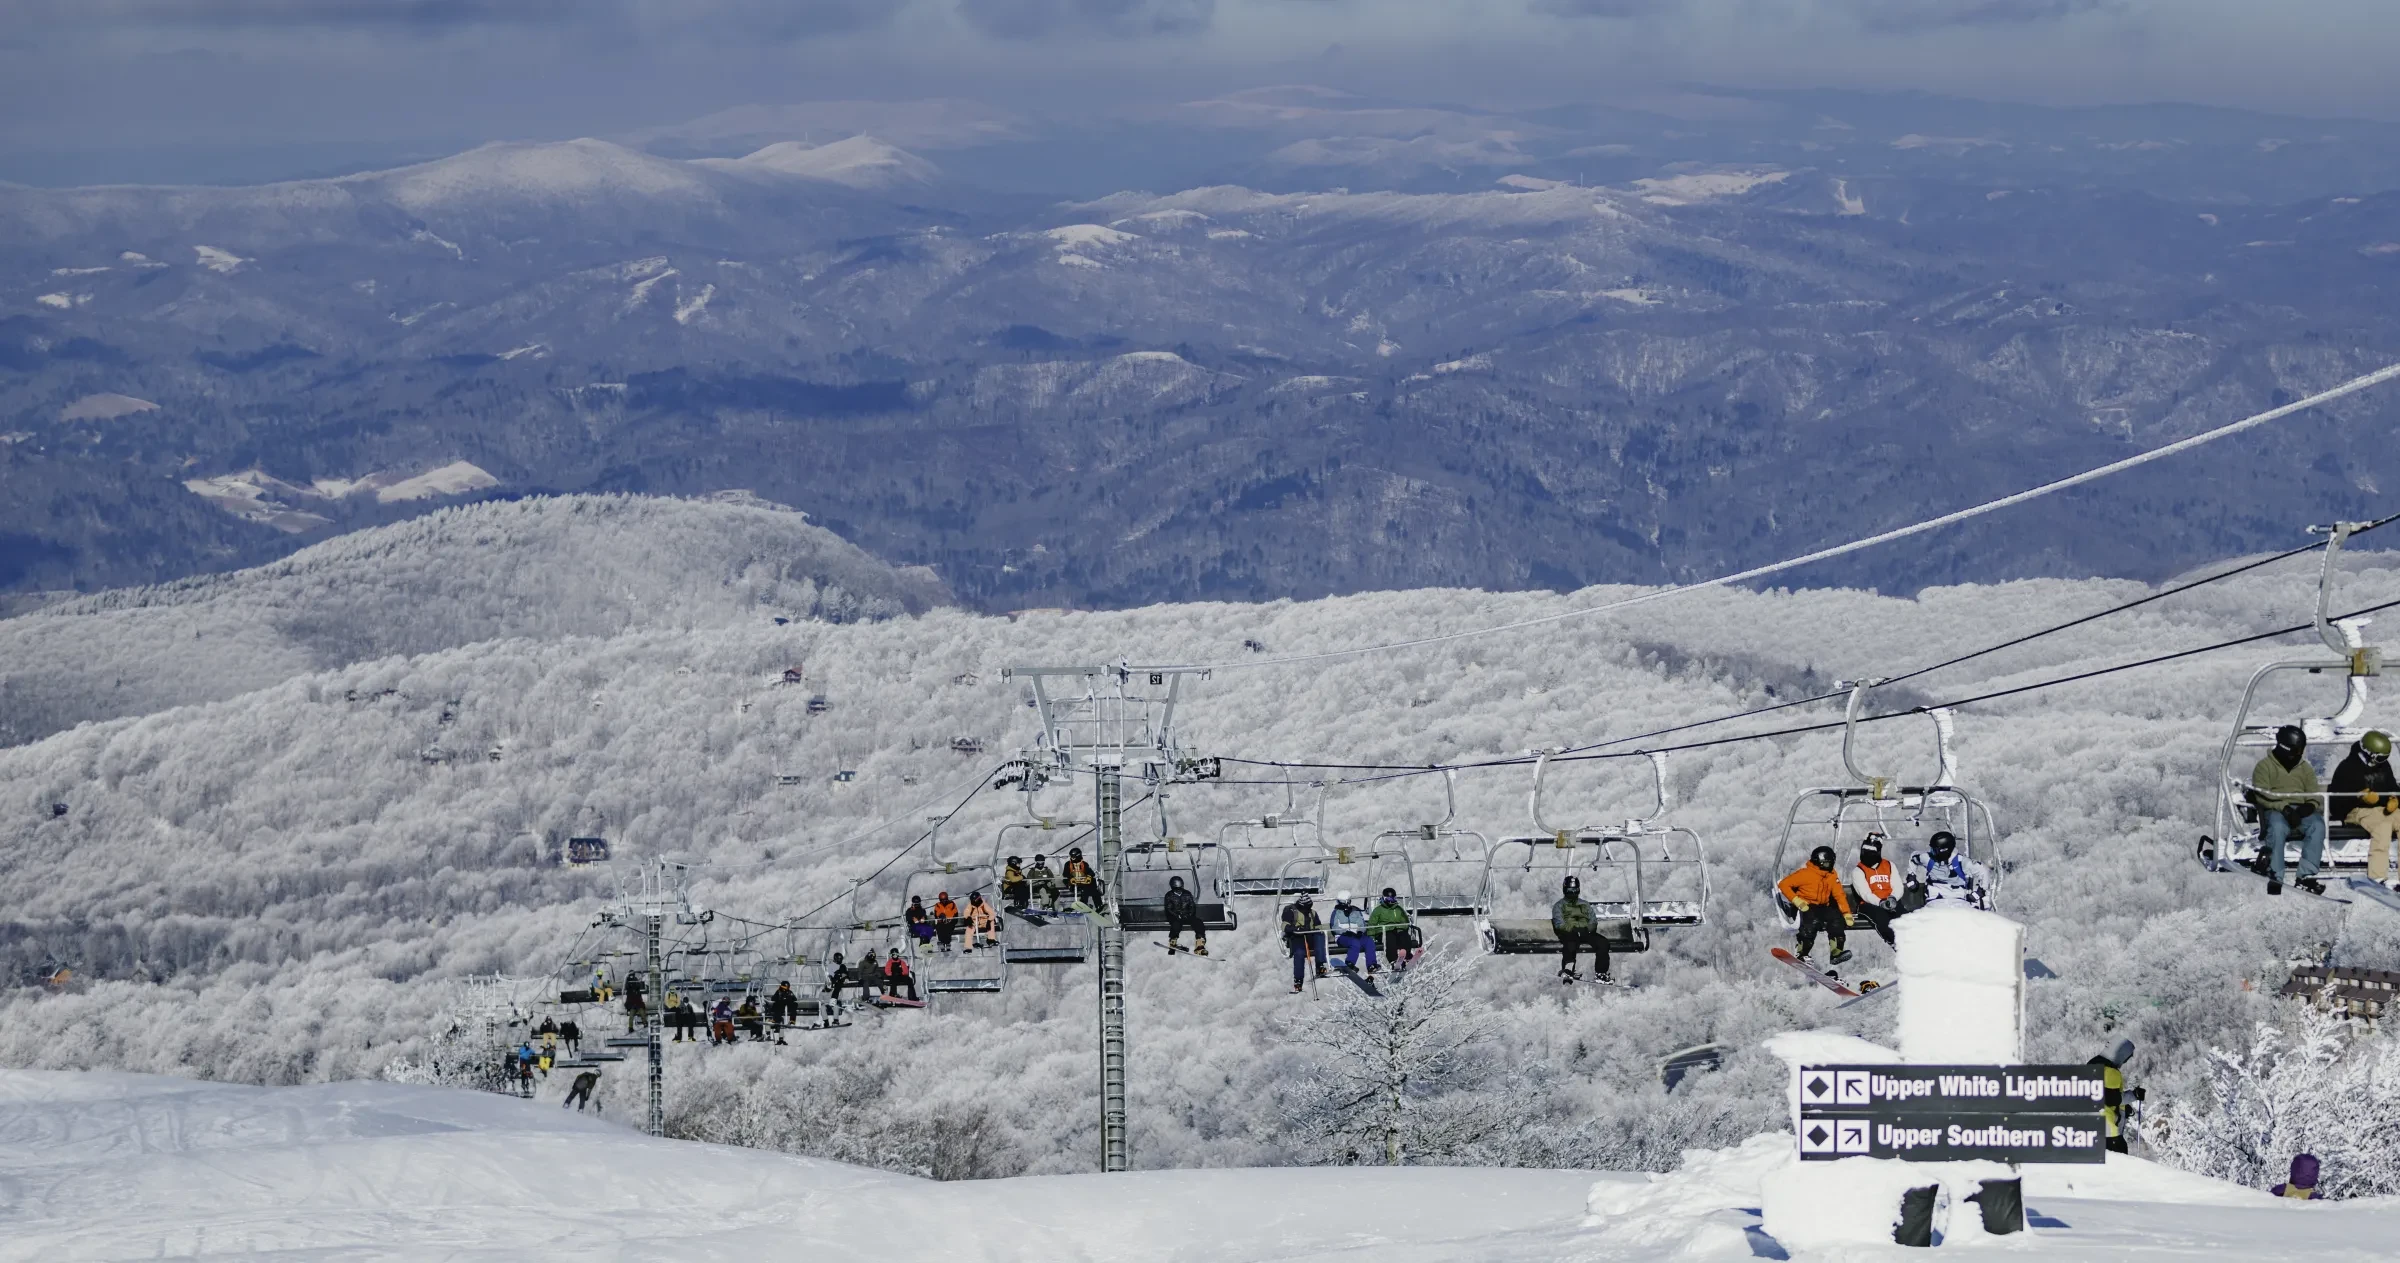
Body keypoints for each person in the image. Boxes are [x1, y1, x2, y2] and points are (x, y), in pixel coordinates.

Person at [2250, 723, 2326, 896]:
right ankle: (2275, 874)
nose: (2298, 755)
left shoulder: (2305, 768)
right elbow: (2262, 795)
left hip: (2300, 810)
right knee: (2277, 828)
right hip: (2276, 810)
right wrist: (2283, 808)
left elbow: (2313, 793)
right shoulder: (2265, 767)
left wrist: (2309, 806)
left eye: (2300, 751)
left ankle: (2305, 876)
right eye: (2295, 751)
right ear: (2284, 748)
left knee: (2317, 825)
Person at [2330, 730, 2400, 889]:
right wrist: (2358, 796)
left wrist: (2394, 799)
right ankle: (2377, 877)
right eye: (2380, 758)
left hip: (2382, 809)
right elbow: (2337, 803)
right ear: (2370, 753)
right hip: (2356, 810)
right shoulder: (2347, 768)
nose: (2382, 762)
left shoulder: (2383, 766)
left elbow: (2392, 787)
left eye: (2385, 758)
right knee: (2383, 827)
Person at [1778, 845, 1855, 968]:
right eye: (1826, 863)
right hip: (1804, 905)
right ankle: (1802, 952)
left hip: (1822, 906)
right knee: (1811, 921)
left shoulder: (1831, 876)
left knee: (1836, 919)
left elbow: (1839, 895)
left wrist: (1846, 913)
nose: (1829, 866)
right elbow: (1783, 884)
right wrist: (1796, 900)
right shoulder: (1805, 874)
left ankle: (1836, 952)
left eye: (1831, 863)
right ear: (1818, 862)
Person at [1906, 832, 1992, 910]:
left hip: (1957, 901)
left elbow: (1984, 871)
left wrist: (1980, 892)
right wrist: (1911, 876)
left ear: (1944, 850)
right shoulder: (1928, 859)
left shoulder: (1961, 862)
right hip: (1933, 900)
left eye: (1934, 850)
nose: (1931, 852)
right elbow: (1914, 858)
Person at [1553, 875, 1612, 984]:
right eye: (1570, 890)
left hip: (1585, 932)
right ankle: (1568, 970)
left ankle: (1601, 973)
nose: (1572, 893)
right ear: (1565, 890)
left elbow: (1593, 920)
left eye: (1575, 890)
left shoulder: (1584, 904)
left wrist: (1588, 929)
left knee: (1603, 943)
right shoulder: (1559, 906)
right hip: (1569, 933)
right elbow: (1559, 923)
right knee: (1571, 943)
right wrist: (1573, 929)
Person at [1847, 834, 1902, 948]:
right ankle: (1895, 944)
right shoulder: (1858, 871)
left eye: (1871, 851)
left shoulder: (1889, 865)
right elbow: (1865, 893)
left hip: (1890, 900)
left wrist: (1893, 897)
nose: (1867, 854)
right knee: (1884, 921)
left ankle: (1915, 946)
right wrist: (1880, 902)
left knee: (1905, 919)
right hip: (1869, 904)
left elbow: (1897, 885)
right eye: (1865, 850)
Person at [1281, 893, 1328, 993]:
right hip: (1297, 937)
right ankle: (1298, 980)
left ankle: (1320, 965)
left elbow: (1318, 926)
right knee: (1299, 953)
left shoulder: (1313, 913)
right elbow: (1284, 926)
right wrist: (1296, 928)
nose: (1308, 909)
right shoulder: (1291, 911)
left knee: (1319, 936)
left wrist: (1316, 930)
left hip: (1310, 936)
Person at [1328, 890, 1380, 975]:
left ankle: (1371, 965)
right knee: (1354, 943)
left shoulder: (1356, 911)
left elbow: (1362, 924)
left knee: (1369, 941)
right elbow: (1334, 927)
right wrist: (1345, 932)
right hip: (1342, 937)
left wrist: (1360, 931)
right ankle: (1350, 963)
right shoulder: (1336, 913)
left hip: (1356, 936)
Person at [1366, 888, 1418, 971]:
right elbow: (1372, 924)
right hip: (1383, 932)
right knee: (1390, 937)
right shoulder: (1378, 910)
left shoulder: (1398, 909)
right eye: (1388, 899)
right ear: (1384, 898)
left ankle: (1406, 957)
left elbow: (1405, 922)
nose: (1391, 901)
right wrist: (1371, 937)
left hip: (1397, 930)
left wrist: (1400, 928)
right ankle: (1393, 960)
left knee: (1404, 936)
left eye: (1393, 899)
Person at [1162, 875, 1208, 956]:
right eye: (1177, 889)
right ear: (1173, 887)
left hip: (1187, 915)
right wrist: (1177, 915)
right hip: (1175, 917)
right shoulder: (1169, 895)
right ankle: (1173, 942)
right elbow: (1169, 908)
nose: (1179, 890)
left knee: (1198, 923)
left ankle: (1200, 945)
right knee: (1176, 925)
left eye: (1180, 888)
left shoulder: (1187, 894)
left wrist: (1189, 915)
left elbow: (1192, 906)